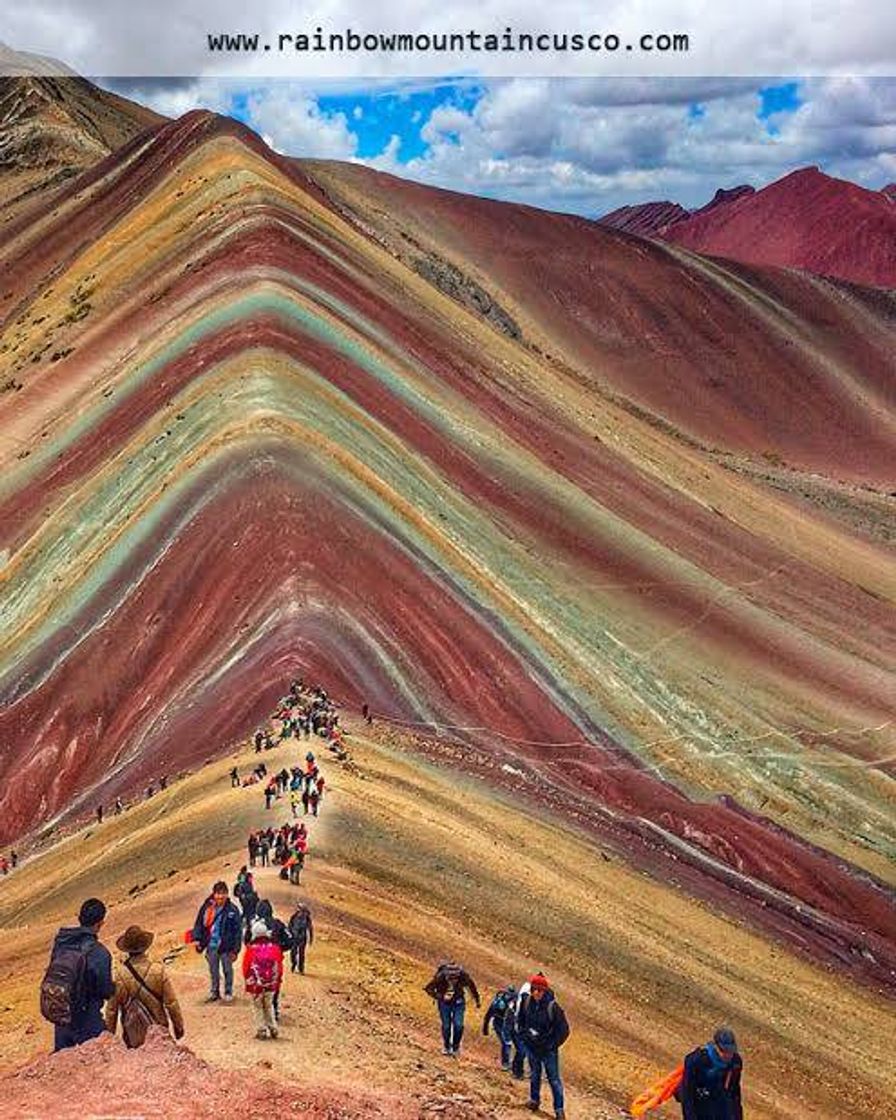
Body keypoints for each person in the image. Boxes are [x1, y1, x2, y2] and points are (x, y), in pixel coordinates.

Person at [43, 898, 115, 1051]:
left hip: (62, 1015)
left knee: (63, 1061)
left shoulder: (62, 943)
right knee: (102, 1058)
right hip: (87, 1018)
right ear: (100, 923)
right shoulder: (100, 953)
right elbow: (104, 990)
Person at [104, 925, 184, 1046]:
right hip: (159, 1029)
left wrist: (110, 1035)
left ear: (126, 949)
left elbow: (111, 1010)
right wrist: (178, 1028)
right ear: (145, 947)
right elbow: (171, 1003)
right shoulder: (158, 970)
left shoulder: (118, 975)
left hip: (132, 1034)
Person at [518, 974, 569, 1119]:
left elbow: (564, 1031)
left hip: (548, 1051)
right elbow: (521, 1021)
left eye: (540, 990)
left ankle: (559, 1110)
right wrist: (524, 1037)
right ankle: (534, 1100)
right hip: (532, 1047)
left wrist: (551, 1045)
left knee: (554, 1079)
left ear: (545, 991)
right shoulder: (526, 1002)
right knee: (534, 1074)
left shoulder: (553, 1008)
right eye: (534, 989)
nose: (536, 993)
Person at [191, 881, 242, 1002]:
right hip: (211, 944)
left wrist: (236, 950)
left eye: (223, 893)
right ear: (214, 894)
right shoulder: (207, 907)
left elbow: (238, 932)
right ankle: (214, 991)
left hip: (226, 946)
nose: (220, 896)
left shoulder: (233, 910)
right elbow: (199, 923)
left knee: (227, 970)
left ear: (227, 894)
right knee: (213, 970)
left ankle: (228, 991)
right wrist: (197, 939)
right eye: (218, 893)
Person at [679, 1027, 743, 1120]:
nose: (728, 1055)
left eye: (731, 1051)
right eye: (723, 1051)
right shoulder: (696, 1060)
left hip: (721, 1104)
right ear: (716, 1047)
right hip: (700, 1103)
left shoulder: (735, 1063)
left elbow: (735, 1092)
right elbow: (687, 1094)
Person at [424, 960, 481, 1056]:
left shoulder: (463, 975)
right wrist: (441, 997)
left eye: (455, 979)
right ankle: (446, 1046)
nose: (453, 981)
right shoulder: (440, 977)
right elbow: (428, 988)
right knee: (446, 1026)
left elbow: (472, 986)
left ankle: (455, 1047)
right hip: (444, 1003)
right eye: (451, 979)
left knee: (459, 1025)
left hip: (458, 1002)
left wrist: (477, 1000)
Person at [243, 920, 283, 1040]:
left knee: (258, 1007)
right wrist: (277, 981)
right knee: (269, 1006)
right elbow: (279, 967)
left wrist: (249, 983)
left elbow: (246, 968)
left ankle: (261, 1029)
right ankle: (273, 1028)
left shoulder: (251, 949)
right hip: (271, 984)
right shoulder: (275, 948)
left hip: (257, 985)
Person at [482, 984, 517, 1070]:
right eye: (508, 995)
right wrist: (485, 1028)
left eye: (511, 996)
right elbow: (489, 1014)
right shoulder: (498, 1001)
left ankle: (512, 1062)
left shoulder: (516, 1001)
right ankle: (505, 1063)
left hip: (510, 1024)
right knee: (505, 1042)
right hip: (499, 1023)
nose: (509, 997)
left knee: (512, 1044)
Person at [287, 901, 314, 973]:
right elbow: (289, 926)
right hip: (294, 937)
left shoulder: (307, 919)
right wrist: (289, 935)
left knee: (301, 953)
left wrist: (310, 938)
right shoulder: (293, 917)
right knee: (293, 952)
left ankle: (301, 968)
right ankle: (294, 963)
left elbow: (310, 928)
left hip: (302, 938)